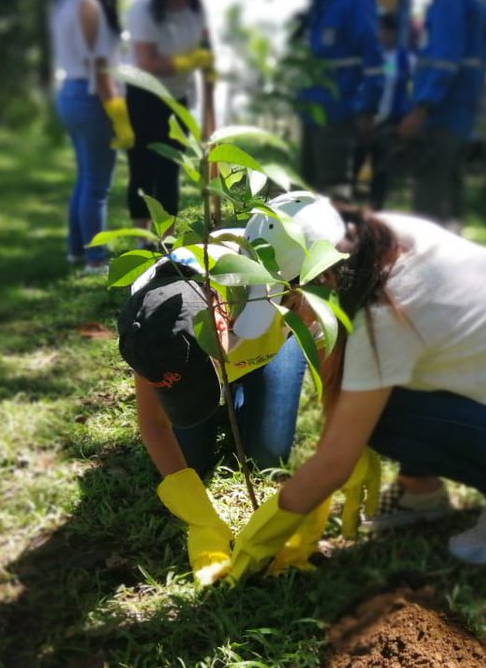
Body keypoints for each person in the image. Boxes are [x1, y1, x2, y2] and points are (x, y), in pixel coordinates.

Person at [227, 194, 486, 582]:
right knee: (373, 400)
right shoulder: (378, 236)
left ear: (323, 278)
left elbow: (335, 462)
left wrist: (258, 542)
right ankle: (420, 491)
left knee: (380, 420)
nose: (289, 312)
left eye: (289, 299)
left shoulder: (383, 316)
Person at [116, 195, 334, 585]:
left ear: (220, 320)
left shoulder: (293, 285)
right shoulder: (152, 318)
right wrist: (200, 518)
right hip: (214, 356)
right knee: (192, 464)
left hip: (269, 351)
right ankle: (217, 396)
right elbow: (153, 422)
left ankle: (234, 393)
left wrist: (326, 476)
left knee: (268, 455)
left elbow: (333, 375)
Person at [49, 0, 134, 275]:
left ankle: (76, 251)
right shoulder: (90, 5)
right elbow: (100, 69)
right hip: (91, 97)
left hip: (69, 93)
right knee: (97, 186)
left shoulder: (64, 2)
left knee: (84, 178)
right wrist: (119, 115)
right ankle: (96, 260)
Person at [397, 0, 486, 229]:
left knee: (431, 181)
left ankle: (431, 258)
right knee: (451, 179)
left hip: (445, 105)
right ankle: (456, 244)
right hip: (461, 101)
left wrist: (423, 107)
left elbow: (445, 58)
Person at [290, 0, 384, 197]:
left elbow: (373, 59)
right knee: (307, 190)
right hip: (312, 110)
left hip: (339, 110)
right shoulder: (322, 1)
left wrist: (368, 109)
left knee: (334, 193)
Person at [123, 0, 215, 228]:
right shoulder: (143, 10)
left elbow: (206, 44)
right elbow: (146, 61)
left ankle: (167, 239)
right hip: (144, 95)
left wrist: (208, 70)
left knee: (169, 169)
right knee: (142, 167)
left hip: (178, 98)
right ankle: (144, 236)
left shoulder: (196, 10)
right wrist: (184, 62)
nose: (180, 3)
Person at [351, 11, 412, 209]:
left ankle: (377, 206)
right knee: (356, 161)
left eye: (387, 30)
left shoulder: (404, 59)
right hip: (364, 115)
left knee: (382, 166)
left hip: (388, 120)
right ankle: (352, 202)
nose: (383, 34)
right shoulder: (368, 55)